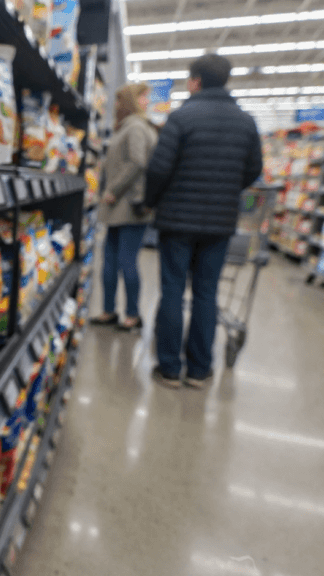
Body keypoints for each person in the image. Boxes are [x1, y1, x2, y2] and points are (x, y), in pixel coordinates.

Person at [143, 53, 263, 389]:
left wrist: (151, 201)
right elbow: (254, 169)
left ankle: (169, 368)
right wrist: (225, 189)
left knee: (172, 291)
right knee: (205, 294)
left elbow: (158, 168)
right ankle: (199, 370)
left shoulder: (181, 118)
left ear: (195, 80)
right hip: (219, 223)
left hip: (177, 220)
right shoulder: (246, 122)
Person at [91, 83, 159, 331]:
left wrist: (113, 190)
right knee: (111, 260)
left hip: (128, 204)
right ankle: (110, 311)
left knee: (124, 260)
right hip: (121, 206)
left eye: (120, 101)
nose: (146, 102)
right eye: (143, 97)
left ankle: (130, 314)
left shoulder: (137, 128)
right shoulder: (130, 127)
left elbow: (137, 162)